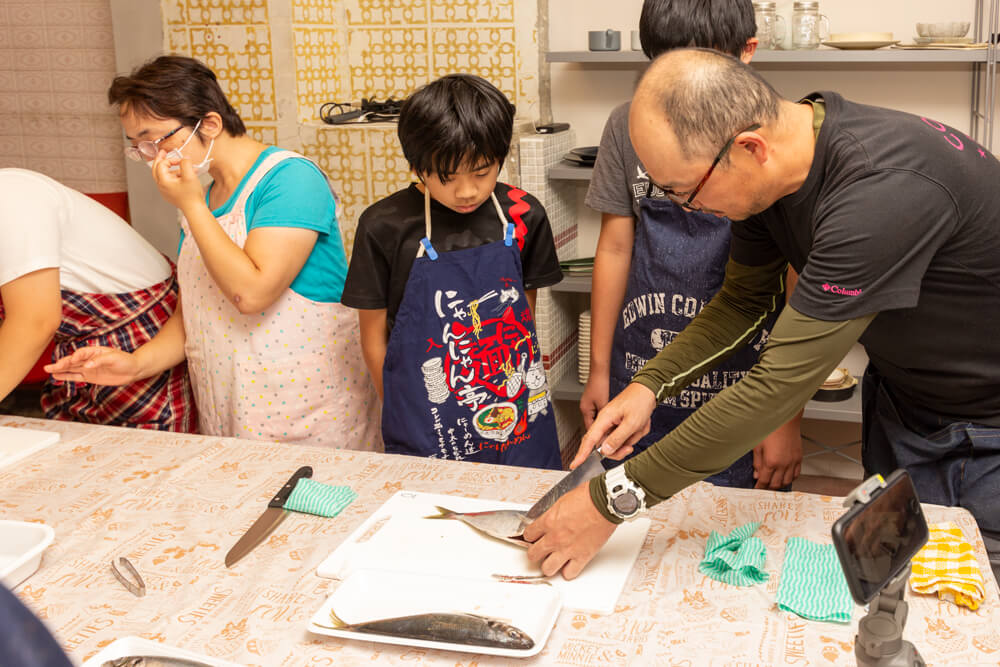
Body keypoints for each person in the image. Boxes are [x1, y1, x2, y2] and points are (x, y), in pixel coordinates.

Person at [524, 48, 1000, 583]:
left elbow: (776, 386)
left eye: (687, 192)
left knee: (966, 602)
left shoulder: (880, 192)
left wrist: (613, 501)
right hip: (904, 400)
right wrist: (649, 386)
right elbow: (741, 305)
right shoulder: (773, 175)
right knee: (896, 580)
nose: (684, 210)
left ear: (749, 148)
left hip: (983, 430)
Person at [46, 55, 380, 449]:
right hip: (231, 413)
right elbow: (195, 313)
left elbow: (252, 294)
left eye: (158, 140)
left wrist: (190, 207)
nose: (153, 159)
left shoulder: (291, 180)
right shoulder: (203, 200)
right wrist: (135, 364)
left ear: (210, 124)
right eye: (140, 148)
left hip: (310, 413)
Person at [581, 0, 802, 489]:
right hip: (643, 362)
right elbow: (615, 248)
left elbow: (794, 278)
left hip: (745, 381)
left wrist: (786, 417)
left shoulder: (776, 136)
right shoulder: (628, 124)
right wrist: (598, 370)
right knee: (631, 513)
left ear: (747, 54)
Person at [342, 74, 564, 468]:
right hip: (427, 419)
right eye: (447, 177)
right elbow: (373, 336)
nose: (466, 191)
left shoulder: (524, 214)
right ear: (417, 165)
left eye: (481, 172)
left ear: (501, 156)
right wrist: (403, 410)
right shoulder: (383, 226)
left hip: (515, 409)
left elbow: (521, 319)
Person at [0, 168, 195, 431]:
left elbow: (35, 321)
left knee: (145, 460)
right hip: (76, 345)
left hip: (137, 331)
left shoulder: (11, 197)